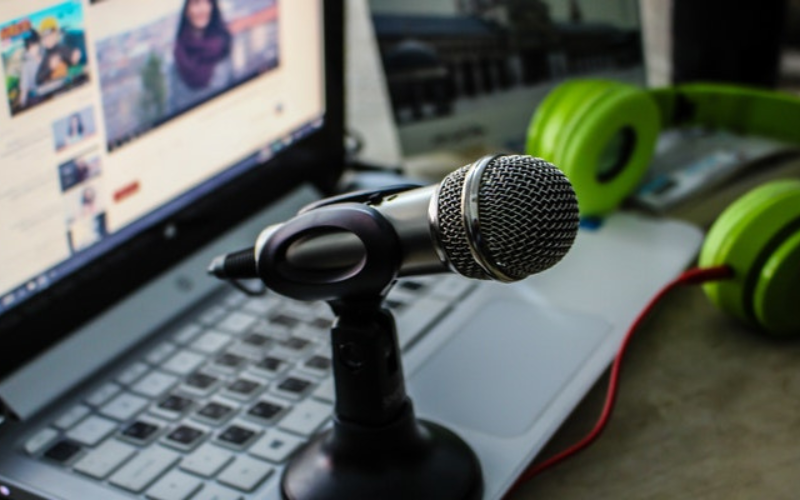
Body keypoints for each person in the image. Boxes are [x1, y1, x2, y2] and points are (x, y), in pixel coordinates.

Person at [170, 0, 233, 113]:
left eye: (207, 2)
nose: (202, 9)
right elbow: (174, 104)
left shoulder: (223, 43)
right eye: (196, 3)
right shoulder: (178, 56)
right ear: (186, 11)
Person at [35, 17, 81, 86]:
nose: (48, 39)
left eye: (50, 35)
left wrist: (75, 60)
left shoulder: (64, 49)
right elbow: (38, 80)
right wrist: (50, 68)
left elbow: (75, 68)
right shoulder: (45, 58)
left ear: (56, 34)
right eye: (45, 37)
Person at [19, 29, 42, 108]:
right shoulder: (26, 64)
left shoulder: (39, 55)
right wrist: (22, 103)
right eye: (36, 45)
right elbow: (24, 89)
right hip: (34, 99)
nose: (38, 47)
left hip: (44, 93)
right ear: (30, 45)